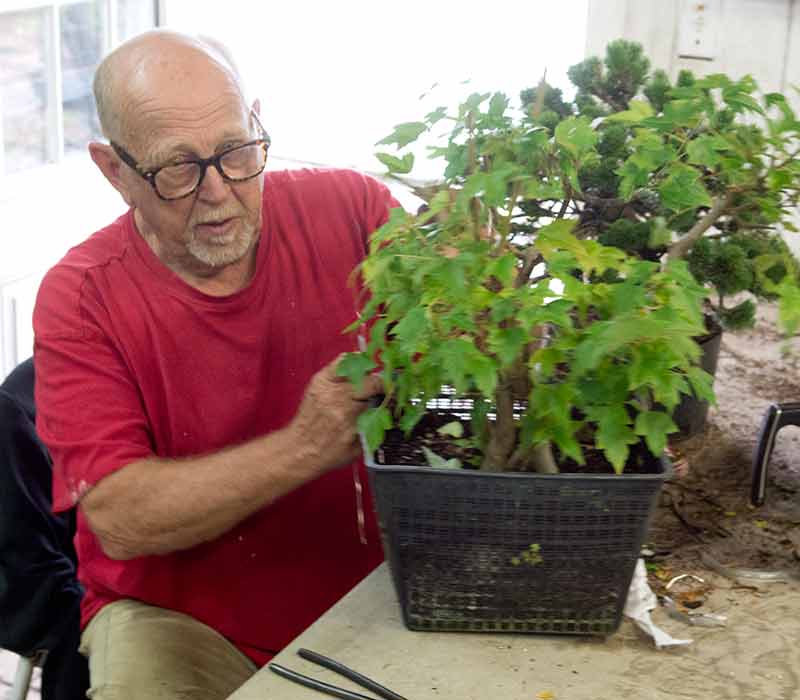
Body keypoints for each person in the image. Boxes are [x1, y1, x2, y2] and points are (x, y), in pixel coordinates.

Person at [33, 29, 395, 699]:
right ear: (115, 172)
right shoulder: (81, 298)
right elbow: (119, 519)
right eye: (177, 168)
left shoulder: (355, 211)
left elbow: (466, 329)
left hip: (376, 587)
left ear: (256, 124)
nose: (219, 192)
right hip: (180, 621)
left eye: (236, 152)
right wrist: (305, 445)